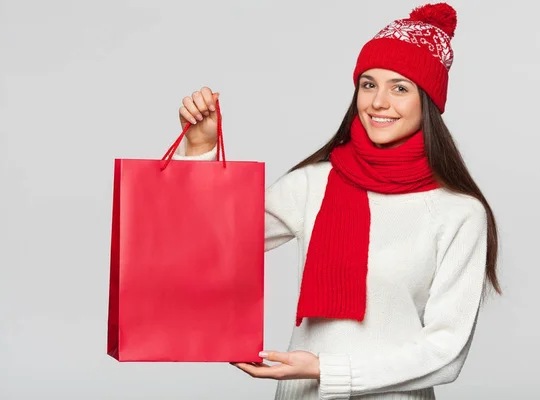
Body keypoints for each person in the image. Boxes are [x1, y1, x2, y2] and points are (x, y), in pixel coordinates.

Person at [172, 2, 501, 399]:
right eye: (368, 84)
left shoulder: (459, 212)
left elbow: (446, 351)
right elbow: (207, 244)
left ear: (427, 101)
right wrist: (201, 148)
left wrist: (327, 369)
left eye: (400, 87)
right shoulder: (313, 183)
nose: (378, 102)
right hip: (301, 393)